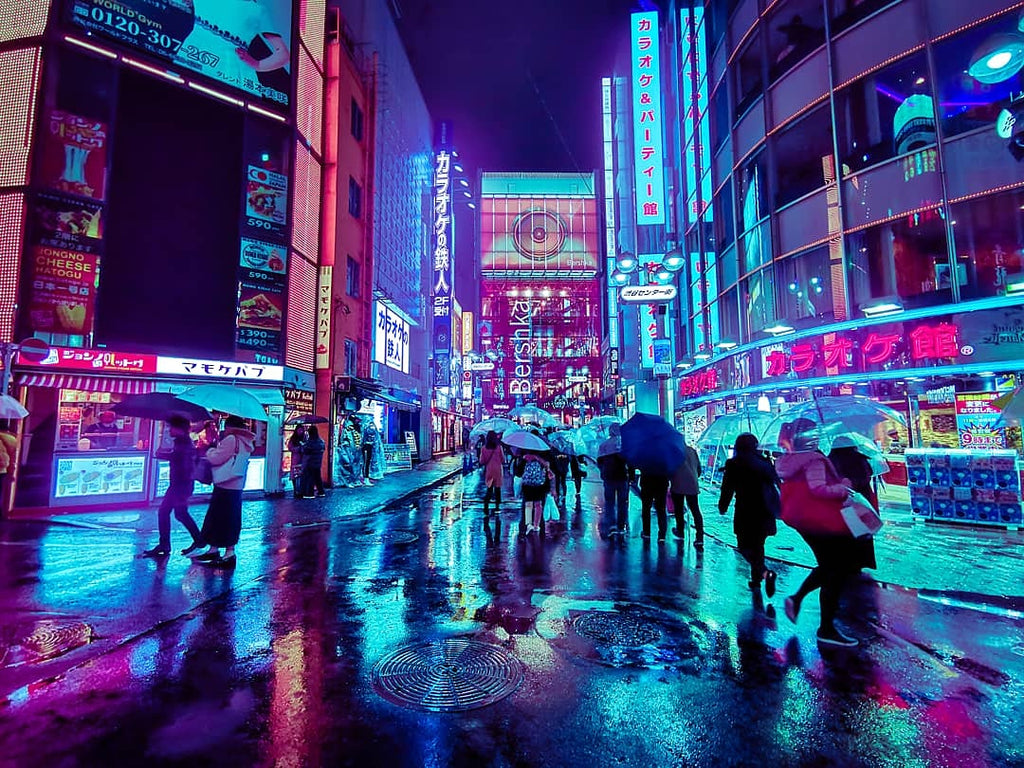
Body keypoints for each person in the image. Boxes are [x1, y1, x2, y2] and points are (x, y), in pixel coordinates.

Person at [775, 418, 861, 647]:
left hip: (803, 520)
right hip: (822, 521)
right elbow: (819, 489)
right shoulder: (813, 460)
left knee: (830, 566)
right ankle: (826, 628)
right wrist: (843, 487)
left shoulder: (788, 460)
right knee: (836, 570)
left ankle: (798, 600)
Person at [718, 433, 781, 597]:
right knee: (758, 546)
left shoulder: (734, 464)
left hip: (746, 511)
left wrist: (723, 506)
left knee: (744, 546)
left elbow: (727, 488)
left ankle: (765, 574)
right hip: (765, 512)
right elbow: (776, 482)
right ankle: (756, 580)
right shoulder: (765, 462)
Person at [191, 416, 255, 568]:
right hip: (236, 484)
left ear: (230, 426)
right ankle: (222, 550)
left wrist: (211, 449)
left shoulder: (231, 439)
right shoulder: (245, 440)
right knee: (230, 518)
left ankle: (224, 553)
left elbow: (216, 458)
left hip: (225, 483)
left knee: (218, 517)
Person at [144, 415, 203, 558]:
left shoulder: (183, 443)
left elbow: (185, 464)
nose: (169, 430)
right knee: (176, 513)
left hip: (180, 485)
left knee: (171, 513)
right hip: (181, 484)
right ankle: (195, 540)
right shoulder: (182, 442)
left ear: (179, 429)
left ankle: (169, 543)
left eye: (171, 427)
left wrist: (168, 456)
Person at [828, 435, 879, 571]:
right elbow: (867, 476)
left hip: (841, 501)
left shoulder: (830, 461)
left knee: (846, 534)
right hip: (860, 500)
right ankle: (862, 563)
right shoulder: (860, 459)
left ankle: (847, 564)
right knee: (862, 533)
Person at [597, 424, 632, 539]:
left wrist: (603, 472)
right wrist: (631, 476)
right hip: (622, 477)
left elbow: (599, 462)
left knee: (610, 502)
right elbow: (630, 462)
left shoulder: (603, 445)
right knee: (623, 502)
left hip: (608, 477)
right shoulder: (625, 445)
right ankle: (621, 527)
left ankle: (611, 526)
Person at [670, 441, 704, 548]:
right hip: (692, 484)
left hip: (678, 484)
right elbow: (699, 469)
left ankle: (680, 531)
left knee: (678, 509)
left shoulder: (674, 452)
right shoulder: (692, 451)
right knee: (695, 510)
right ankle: (699, 537)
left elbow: (671, 469)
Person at [519, 451, 553, 535]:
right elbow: (547, 466)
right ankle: (536, 525)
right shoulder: (543, 453)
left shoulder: (525, 455)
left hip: (527, 484)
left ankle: (529, 524)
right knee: (538, 504)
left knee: (528, 504)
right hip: (539, 484)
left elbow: (519, 471)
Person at [639, 468, 670, 542]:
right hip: (662, 482)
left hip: (646, 482)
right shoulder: (663, 456)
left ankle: (646, 532)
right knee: (661, 509)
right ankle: (662, 535)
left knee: (646, 508)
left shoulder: (646, 456)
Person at [479, 430, 505, 517]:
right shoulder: (499, 447)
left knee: (489, 489)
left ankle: (486, 506)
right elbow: (503, 459)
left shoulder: (484, 448)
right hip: (498, 470)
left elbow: (482, 461)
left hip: (489, 470)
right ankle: (497, 507)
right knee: (497, 489)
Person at [301, 425, 326, 498]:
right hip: (318, 462)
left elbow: (305, 451)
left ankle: (310, 493)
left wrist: (303, 445)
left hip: (310, 462)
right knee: (318, 477)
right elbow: (323, 449)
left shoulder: (310, 442)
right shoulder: (321, 441)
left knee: (310, 477)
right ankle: (321, 492)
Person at [287, 425, 306, 498]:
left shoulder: (305, 438)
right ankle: (296, 490)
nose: (300, 431)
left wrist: (303, 447)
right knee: (295, 475)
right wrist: (298, 448)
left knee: (302, 474)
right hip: (296, 458)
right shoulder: (293, 439)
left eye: (301, 430)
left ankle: (301, 490)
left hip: (303, 459)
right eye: (299, 430)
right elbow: (290, 447)